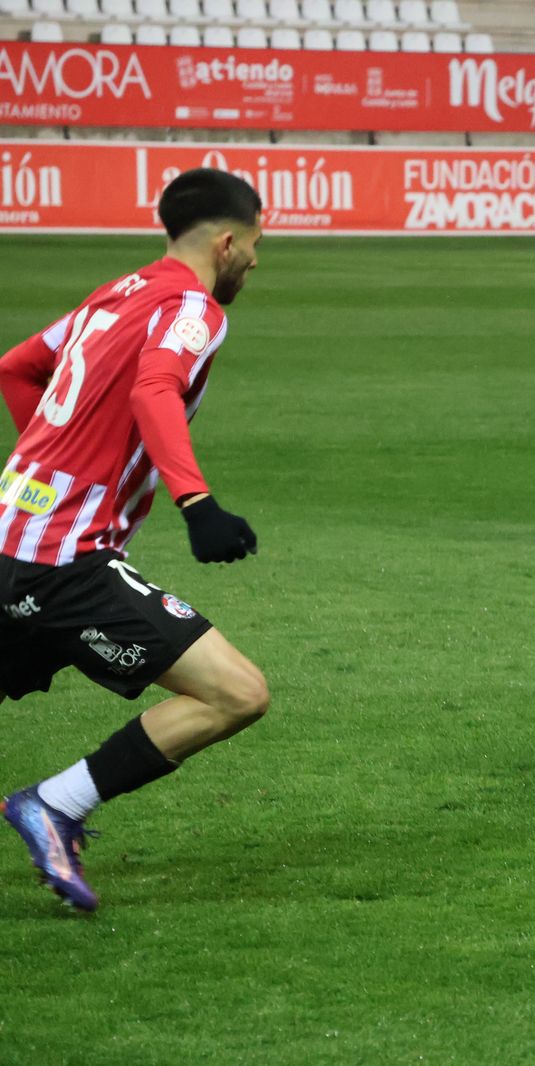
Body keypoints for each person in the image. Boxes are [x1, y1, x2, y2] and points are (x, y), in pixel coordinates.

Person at [0, 167, 270, 912]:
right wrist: (197, 503)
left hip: (9, 537)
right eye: (254, 244)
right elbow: (156, 389)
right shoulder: (193, 308)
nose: (254, 259)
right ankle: (54, 804)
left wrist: (63, 466)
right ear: (226, 242)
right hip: (65, 563)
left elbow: (19, 369)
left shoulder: (116, 293)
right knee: (237, 693)